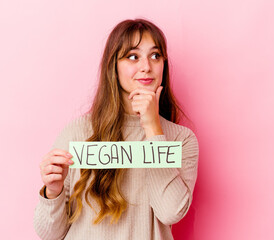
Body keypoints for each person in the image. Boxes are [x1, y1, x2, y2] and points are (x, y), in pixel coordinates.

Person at [33, 19, 199, 240]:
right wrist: (52, 191)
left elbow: (170, 212)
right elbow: (49, 234)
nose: (146, 66)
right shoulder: (78, 132)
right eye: (133, 56)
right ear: (114, 65)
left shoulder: (182, 139)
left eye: (155, 55)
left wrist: (152, 128)